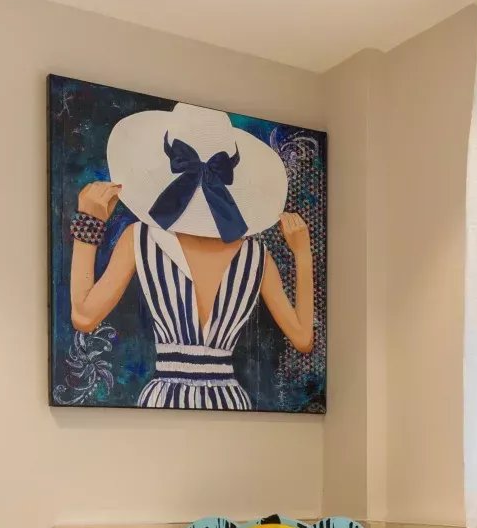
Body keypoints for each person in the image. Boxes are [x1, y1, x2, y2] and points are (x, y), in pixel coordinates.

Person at [68, 102, 314, 410]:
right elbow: (303, 338)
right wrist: (302, 254)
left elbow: (84, 317)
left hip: (163, 402)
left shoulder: (141, 238)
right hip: (230, 404)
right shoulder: (256, 256)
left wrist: (89, 223)